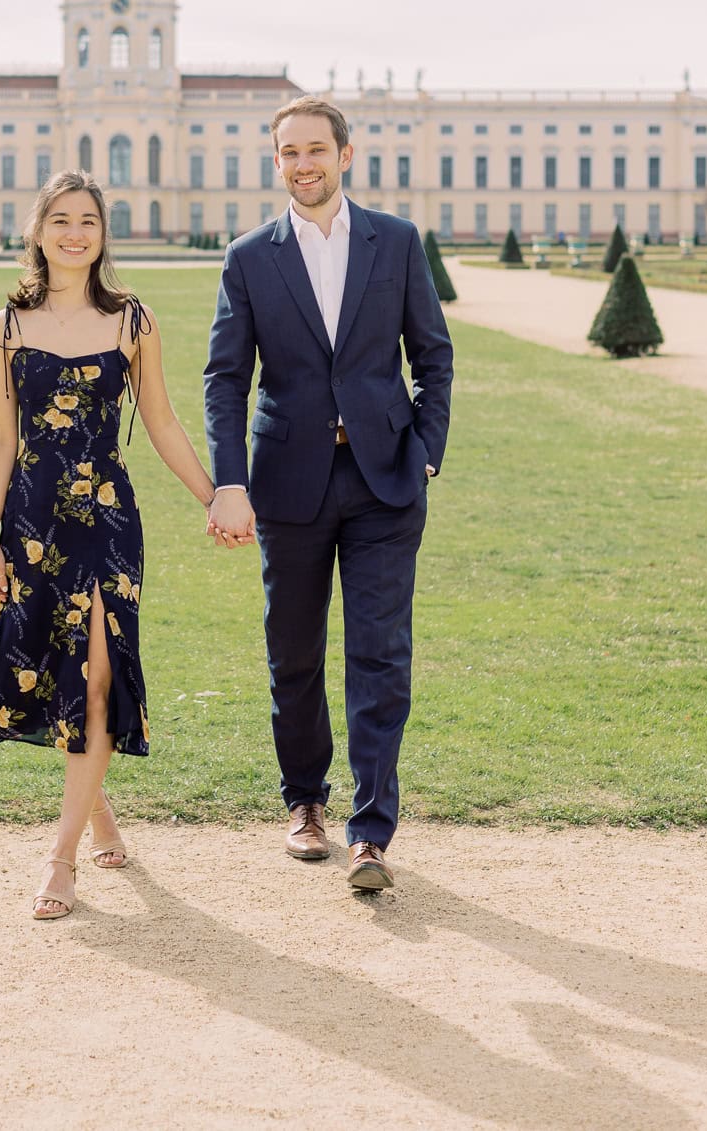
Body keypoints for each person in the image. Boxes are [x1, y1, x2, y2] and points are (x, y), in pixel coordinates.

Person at [204, 97, 453, 893]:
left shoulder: (397, 240)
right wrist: (230, 480)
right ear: (275, 162)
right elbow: (226, 378)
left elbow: (433, 358)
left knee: (380, 655)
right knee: (295, 652)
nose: (303, 163)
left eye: (316, 148)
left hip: (384, 480)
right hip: (288, 483)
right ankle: (305, 803)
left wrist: (426, 456)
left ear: (346, 154)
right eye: (289, 152)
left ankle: (371, 831)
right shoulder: (249, 257)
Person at [0, 169, 219, 920]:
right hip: (34, 523)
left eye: (88, 220)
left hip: (108, 522)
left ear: (102, 234)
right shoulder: (4, 328)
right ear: (38, 231)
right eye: (61, 220)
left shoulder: (133, 320)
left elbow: (166, 423)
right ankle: (98, 808)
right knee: (57, 671)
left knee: (100, 672)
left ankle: (60, 859)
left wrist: (217, 497)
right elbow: (0, 437)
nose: (75, 232)